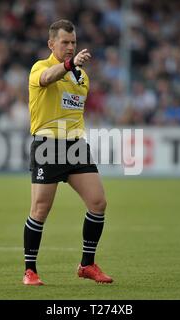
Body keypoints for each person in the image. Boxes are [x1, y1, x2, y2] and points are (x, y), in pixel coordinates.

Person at [23, 19, 113, 285]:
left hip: (75, 146)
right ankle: (30, 270)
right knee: (40, 209)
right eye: (65, 42)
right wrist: (67, 65)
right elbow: (48, 79)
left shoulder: (82, 77)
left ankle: (87, 265)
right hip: (48, 145)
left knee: (98, 203)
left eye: (73, 42)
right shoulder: (41, 67)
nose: (71, 46)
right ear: (52, 44)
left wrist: (72, 68)